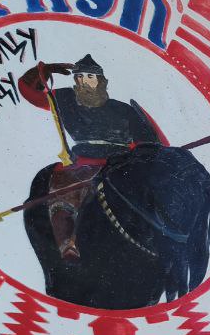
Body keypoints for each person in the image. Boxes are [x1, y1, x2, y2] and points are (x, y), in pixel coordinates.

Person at [17, 54, 165, 260]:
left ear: (101, 81)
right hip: (82, 164)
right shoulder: (65, 100)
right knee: (62, 197)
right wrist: (41, 72)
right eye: (79, 77)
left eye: (89, 77)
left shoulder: (123, 110)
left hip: (122, 163)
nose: (84, 81)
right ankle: (67, 245)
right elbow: (30, 93)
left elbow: (148, 143)